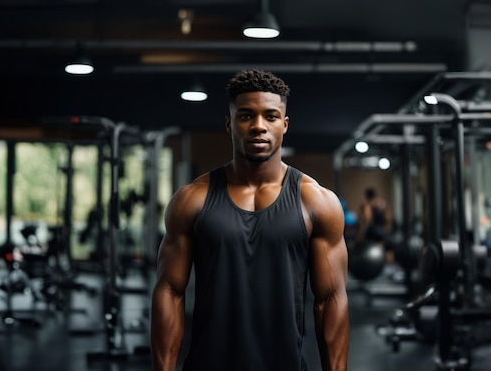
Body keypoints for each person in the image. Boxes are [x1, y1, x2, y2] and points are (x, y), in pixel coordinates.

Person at [151, 69, 349, 371]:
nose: (258, 126)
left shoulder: (316, 201)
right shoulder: (192, 199)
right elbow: (170, 291)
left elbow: (330, 298)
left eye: (270, 116)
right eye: (246, 116)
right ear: (230, 124)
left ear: (284, 125)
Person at [355, 187, 396, 275]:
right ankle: (389, 269)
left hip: (372, 230)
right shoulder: (382, 203)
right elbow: (388, 218)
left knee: (366, 249)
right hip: (381, 230)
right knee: (387, 248)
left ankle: (371, 269)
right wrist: (387, 231)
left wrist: (361, 233)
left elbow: (367, 219)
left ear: (367, 196)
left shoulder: (367, 205)